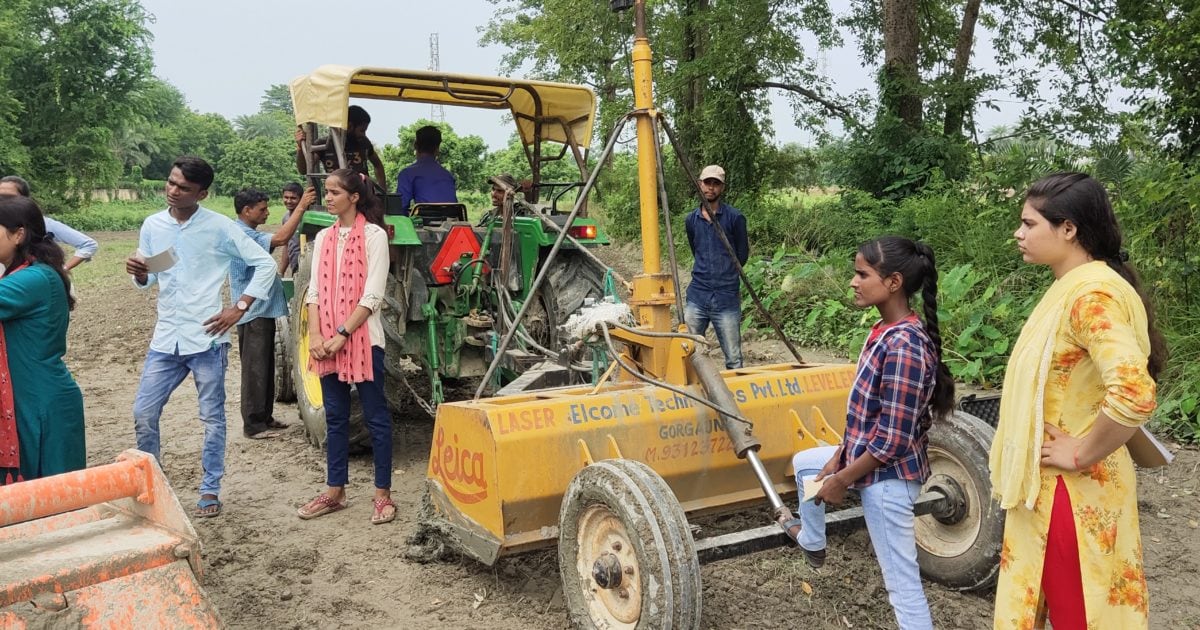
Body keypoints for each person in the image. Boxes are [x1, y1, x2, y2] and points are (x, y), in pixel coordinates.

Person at [991, 173, 1163, 630]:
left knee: (1081, 618)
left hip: (1071, 492)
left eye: (1029, 224)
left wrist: (1081, 450)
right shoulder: (1078, 286)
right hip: (1056, 491)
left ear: (1068, 229)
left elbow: (1133, 390)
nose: (1019, 233)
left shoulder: (1091, 296)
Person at [782, 236, 954, 630]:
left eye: (862, 274)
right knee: (805, 463)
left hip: (889, 481)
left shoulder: (905, 347)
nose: (853, 281)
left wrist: (842, 479)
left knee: (902, 586)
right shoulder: (883, 330)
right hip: (869, 462)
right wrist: (839, 455)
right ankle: (813, 541)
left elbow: (892, 438)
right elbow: (866, 416)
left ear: (893, 282)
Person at [125, 157, 278, 518]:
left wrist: (239, 307)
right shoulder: (154, 225)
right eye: (171, 182)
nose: (173, 191)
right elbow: (153, 277)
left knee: (211, 418)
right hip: (165, 339)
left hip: (207, 339)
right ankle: (153, 484)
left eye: (183, 188)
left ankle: (210, 489)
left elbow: (266, 264)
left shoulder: (219, 227)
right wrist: (139, 273)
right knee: (143, 413)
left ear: (202, 193)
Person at [296, 168, 395, 525]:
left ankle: (382, 495)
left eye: (335, 192)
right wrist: (319, 336)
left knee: (376, 418)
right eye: (327, 191)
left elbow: (373, 294)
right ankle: (335, 491)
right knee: (336, 418)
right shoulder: (323, 237)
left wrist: (341, 333)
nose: (328, 197)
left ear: (354, 197)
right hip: (328, 341)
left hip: (364, 341)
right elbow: (314, 291)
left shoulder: (374, 236)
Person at [0, 195, 85, 484]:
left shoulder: (34, 279)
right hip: (30, 396)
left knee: (54, 498)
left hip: (41, 403)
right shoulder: (24, 273)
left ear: (18, 234)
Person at [230, 185, 315, 439]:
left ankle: (264, 417)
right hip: (252, 311)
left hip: (261, 310)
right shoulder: (242, 235)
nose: (267, 213)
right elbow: (279, 239)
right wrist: (300, 207)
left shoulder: (247, 231)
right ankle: (254, 425)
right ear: (247, 211)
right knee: (255, 368)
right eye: (262, 209)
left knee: (265, 366)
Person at [684, 164, 748, 369]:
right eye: (707, 183)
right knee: (689, 351)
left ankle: (734, 398)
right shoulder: (691, 220)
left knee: (733, 357)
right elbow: (696, 249)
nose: (710, 188)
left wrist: (725, 274)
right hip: (698, 295)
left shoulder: (735, 218)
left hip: (726, 297)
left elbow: (742, 255)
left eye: (716, 184)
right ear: (699, 184)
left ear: (722, 188)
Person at [0, 175, 99, 271]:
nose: (2, 201)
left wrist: (63, 270)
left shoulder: (42, 223)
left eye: (9, 197)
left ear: (25, 200)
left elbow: (88, 244)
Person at [295, 105, 387, 190]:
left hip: (363, 198)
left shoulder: (364, 143)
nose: (364, 135)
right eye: (362, 130)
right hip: (337, 196)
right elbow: (304, 169)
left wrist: (383, 191)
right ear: (350, 126)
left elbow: (378, 165)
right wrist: (300, 147)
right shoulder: (323, 144)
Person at [394, 125, 458, 215]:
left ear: (415, 146)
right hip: (452, 222)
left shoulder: (407, 174)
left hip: (425, 223)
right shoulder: (448, 175)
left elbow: (400, 208)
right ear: (438, 148)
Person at [278, 182, 305, 276]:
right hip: (295, 267)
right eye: (286, 197)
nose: (289, 201)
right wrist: (281, 271)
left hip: (307, 267)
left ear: (301, 199)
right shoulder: (286, 218)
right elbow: (287, 245)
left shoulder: (307, 218)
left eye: (293, 198)